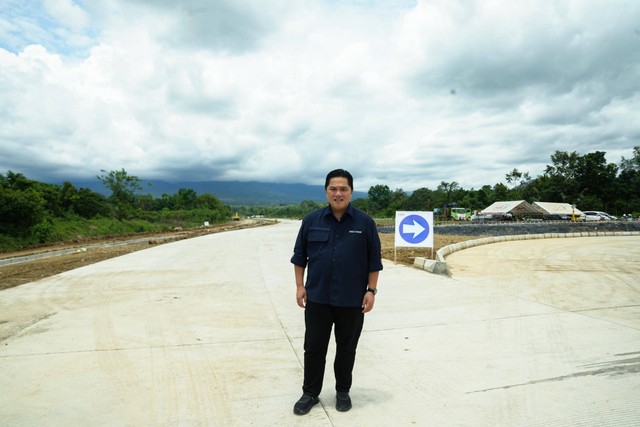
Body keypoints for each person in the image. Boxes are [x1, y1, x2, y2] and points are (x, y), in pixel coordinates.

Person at [290, 168, 383, 415]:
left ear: (351, 192)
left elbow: (374, 261)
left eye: (343, 189)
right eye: (333, 188)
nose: (338, 193)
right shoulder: (311, 220)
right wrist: (300, 286)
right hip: (318, 298)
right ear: (326, 191)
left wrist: (371, 290)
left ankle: (343, 391)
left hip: (352, 300)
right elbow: (300, 257)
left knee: (347, 348)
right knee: (314, 348)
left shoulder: (365, 223)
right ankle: (310, 393)